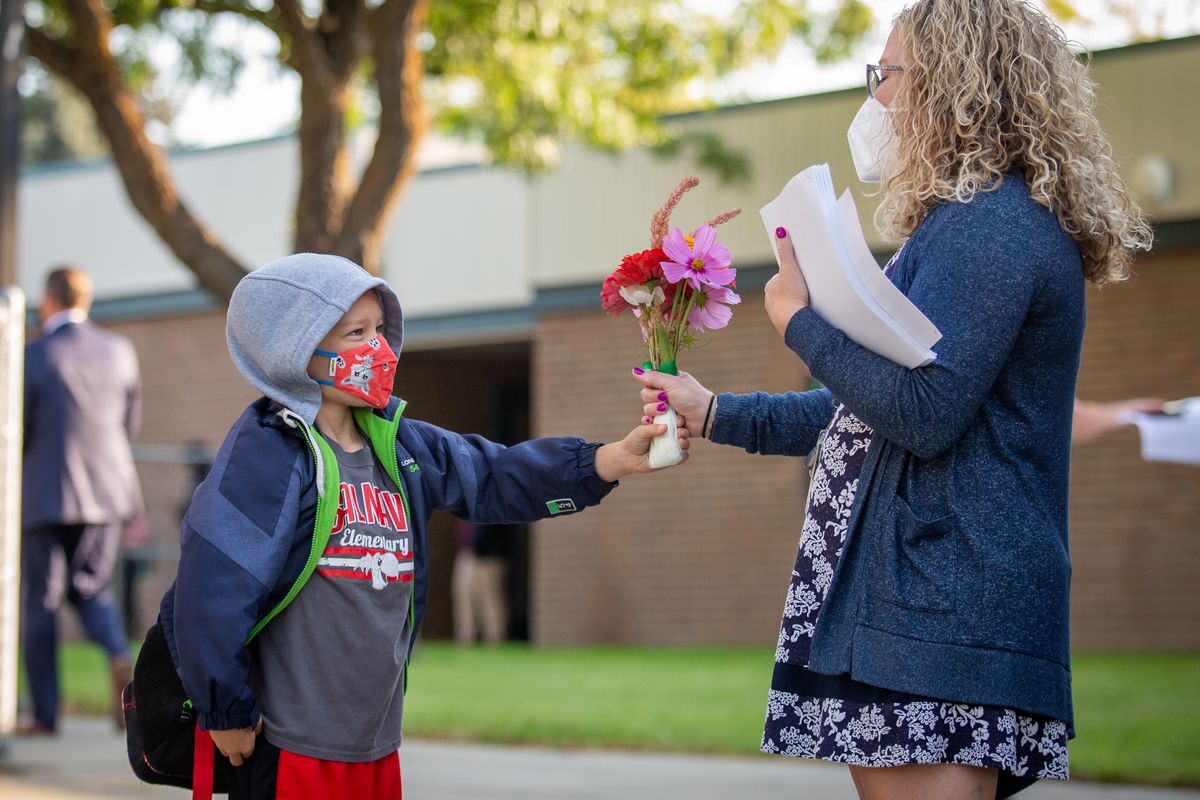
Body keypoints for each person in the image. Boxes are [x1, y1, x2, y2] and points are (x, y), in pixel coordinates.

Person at [636, 1, 1151, 797]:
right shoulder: (960, 224)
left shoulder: (993, 228)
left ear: (951, 82)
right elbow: (868, 410)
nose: (875, 97)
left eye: (887, 74)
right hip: (922, 598)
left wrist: (800, 325)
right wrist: (714, 411)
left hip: (950, 597)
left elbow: (923, 414)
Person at [157, 253, 687, 799]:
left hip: (374, 743)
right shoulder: (269, 454)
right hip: (291, 747)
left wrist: (611, 460)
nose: (379, 348)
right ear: (294, 350)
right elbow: (213, 583)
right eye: (355, 333)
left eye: (380, 329)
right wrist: (224, 707)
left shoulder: (399, 443)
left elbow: (494, 474)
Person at [20, 266, 142, 734]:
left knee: (42, 601)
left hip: (46, 493)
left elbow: (20, 428)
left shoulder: (33, 354)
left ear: (48, 300)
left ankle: (46, 715)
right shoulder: (120, 351)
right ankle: (117, 656)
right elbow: (129, 426)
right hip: (106, 490)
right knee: (91, 588)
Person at [452, 520, 511, 645]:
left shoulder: (490, 503)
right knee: (464, 596)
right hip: (468, 552)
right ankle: (466, 637)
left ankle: (494, 638)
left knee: (489, 597)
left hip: (488, 555)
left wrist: (477, 545)